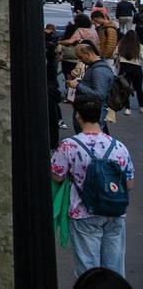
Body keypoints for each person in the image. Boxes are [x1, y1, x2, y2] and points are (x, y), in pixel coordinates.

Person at [51, 95, 135, 278]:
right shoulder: (118, 146)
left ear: (77, 116)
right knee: (114, 268)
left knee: (88, 270)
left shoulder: (69, 146)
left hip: (84, 211)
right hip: (115, 211)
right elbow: (129, 183)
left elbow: (57, 177)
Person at [66, 43, 115, 128]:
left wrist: (78, 85)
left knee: (89, 138)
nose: (80, 60)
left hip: (92, 114)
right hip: (88, 111)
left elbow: (99, 95)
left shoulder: (99, 70)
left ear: (88, 54)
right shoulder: (95, 66)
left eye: (81, 57)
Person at [115, 29, 143, 116]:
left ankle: (127, 108)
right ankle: (141, 106)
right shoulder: (139, 46)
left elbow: (115, 55)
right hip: (136, 68)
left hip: (124, 68)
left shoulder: (121, 44)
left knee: (124, 88)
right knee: (139, 89)